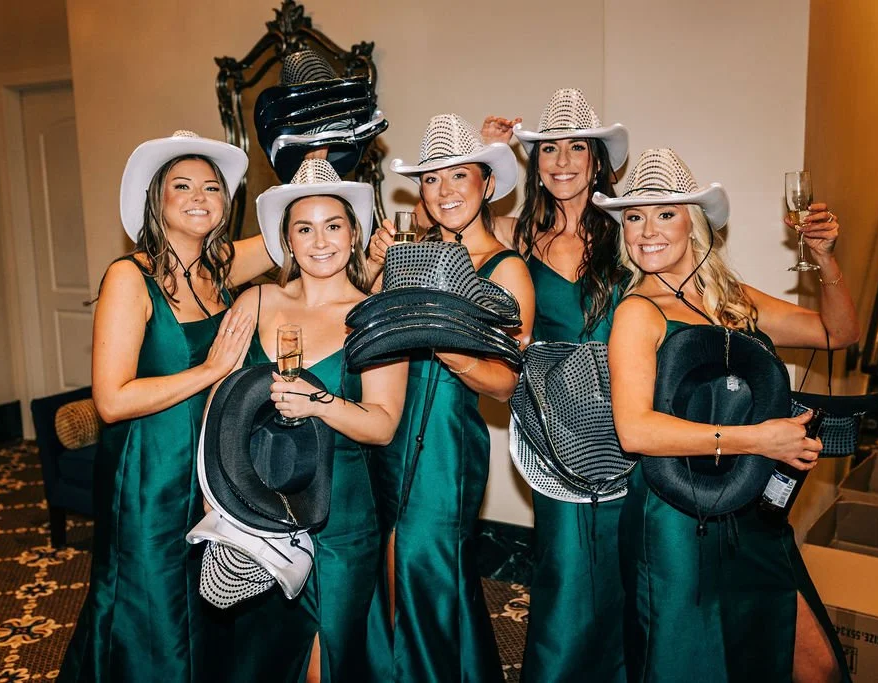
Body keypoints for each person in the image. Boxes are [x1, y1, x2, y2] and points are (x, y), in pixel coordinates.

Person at [601, 148, 857, 683]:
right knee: (690, 667)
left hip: (751, 512)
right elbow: (636, 430)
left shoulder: (731, 299)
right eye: (633, 216)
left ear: (694, 223)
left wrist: (825, 259)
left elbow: (838, 334)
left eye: (665, 213)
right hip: (675, 521)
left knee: (814, 665)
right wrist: (759, 441)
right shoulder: (636, 313)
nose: (646, 230)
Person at [60, 130, 260, 682]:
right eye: (182, 185)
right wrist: (210, 371)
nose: (200, 196)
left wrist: (318, 156)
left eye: (213, 187)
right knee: (147, 606)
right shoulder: (130, 277)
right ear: (158, 200)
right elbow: (112, 400)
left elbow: (297, 233)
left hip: (208, 469)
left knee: (204, 601)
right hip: (148, 473)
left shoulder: (218, 266)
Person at [365, 114, 535, 683]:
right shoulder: (411, 256)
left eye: (459, 177)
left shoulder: (508, 270)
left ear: (487, 184)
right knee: (390, 560)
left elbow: (509, 383)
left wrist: (452, 351)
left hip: (446, 441)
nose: (444, 192)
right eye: (432, 180)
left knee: (430, 564)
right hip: (389, 427)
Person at [226, 158, 408, 682]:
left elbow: (382, 424)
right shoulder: (257, 301)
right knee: (265, 653)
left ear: (354, 235)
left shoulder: (377, 315)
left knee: (325, 659)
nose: (320, 240)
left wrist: (318, 403)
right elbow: (223, 396)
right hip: (260, 508)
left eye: (334, 226)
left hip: (341, 514)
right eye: (304, 228)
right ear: (286, 240)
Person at [485, 87, 632, 682]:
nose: (563, 160)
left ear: (598, 159)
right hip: (559, 428)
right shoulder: (515, 236)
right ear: (535, 162)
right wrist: (488, 153)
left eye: (577, 147)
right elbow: (441, 220)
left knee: (627, 569)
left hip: (629, 420)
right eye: (549, 149)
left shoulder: (630, 231)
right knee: (567, 569)